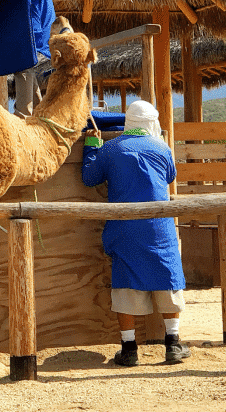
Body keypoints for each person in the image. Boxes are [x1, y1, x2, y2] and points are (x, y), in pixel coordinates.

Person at [81, 100, 190, 366]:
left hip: (124, 227)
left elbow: (89, 178)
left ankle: (129, 349)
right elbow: (169, 177)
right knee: (168, 279)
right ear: (152, 123)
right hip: (159, 227)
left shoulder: (110, 149)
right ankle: (173, 344)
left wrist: (91, 147)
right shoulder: (161, 147)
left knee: (125, 283)